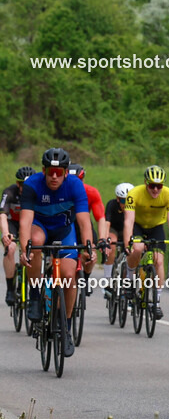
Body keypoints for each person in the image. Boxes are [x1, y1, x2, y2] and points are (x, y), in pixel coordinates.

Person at [19, 148, 95, 356]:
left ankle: (66, 328)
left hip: (64, 229)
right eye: (50, 172)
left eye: (59, 172)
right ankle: (35, 295)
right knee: (34, 243)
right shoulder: (32, 184)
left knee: (70, 276)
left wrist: (88, 246)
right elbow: (25, 221)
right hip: (39, 225)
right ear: (43, 171)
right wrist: (24, 248)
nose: (54, 177)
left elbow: (83, 220)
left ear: (65, 172)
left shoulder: (75, 185)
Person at [123, 166, 169, 320]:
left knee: (159, 261)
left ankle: (156, 301)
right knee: (137, 248)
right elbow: (128, 221)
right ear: (145, 183)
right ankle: (129, 279)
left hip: (156, 227)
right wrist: (128, 242)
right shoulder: (134, 194)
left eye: (159, 186)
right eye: (152, 186)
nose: (155, 190)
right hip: (138, 226)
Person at [1, 166, 34, 305]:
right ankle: (10, 288)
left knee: (34, 251)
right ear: (17, 183)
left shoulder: (36, 193)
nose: (24, 187)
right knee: (11, 248)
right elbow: (2, 215)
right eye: (22, 184)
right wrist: (6, 233)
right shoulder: (9, 193)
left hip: (30, 225)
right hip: (13, 224)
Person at [68, 163, 104, 290]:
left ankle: (86, 279)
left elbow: (100, 218)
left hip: (83, 225)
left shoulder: (91, 192)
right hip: (65, 225)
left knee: (90, 255)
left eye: (78, 181)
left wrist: (102, 239)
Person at [98, 182, 132, 297]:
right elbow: (107, 223)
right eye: (123, 201)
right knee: (111, 244)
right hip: (114, 229)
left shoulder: (134, 206)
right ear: (118, 199)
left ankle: (126, 282)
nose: (126, 203)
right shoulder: (111, 205)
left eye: (128, 200)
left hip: (128, 229)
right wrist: (106, 239)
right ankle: (107, 280)